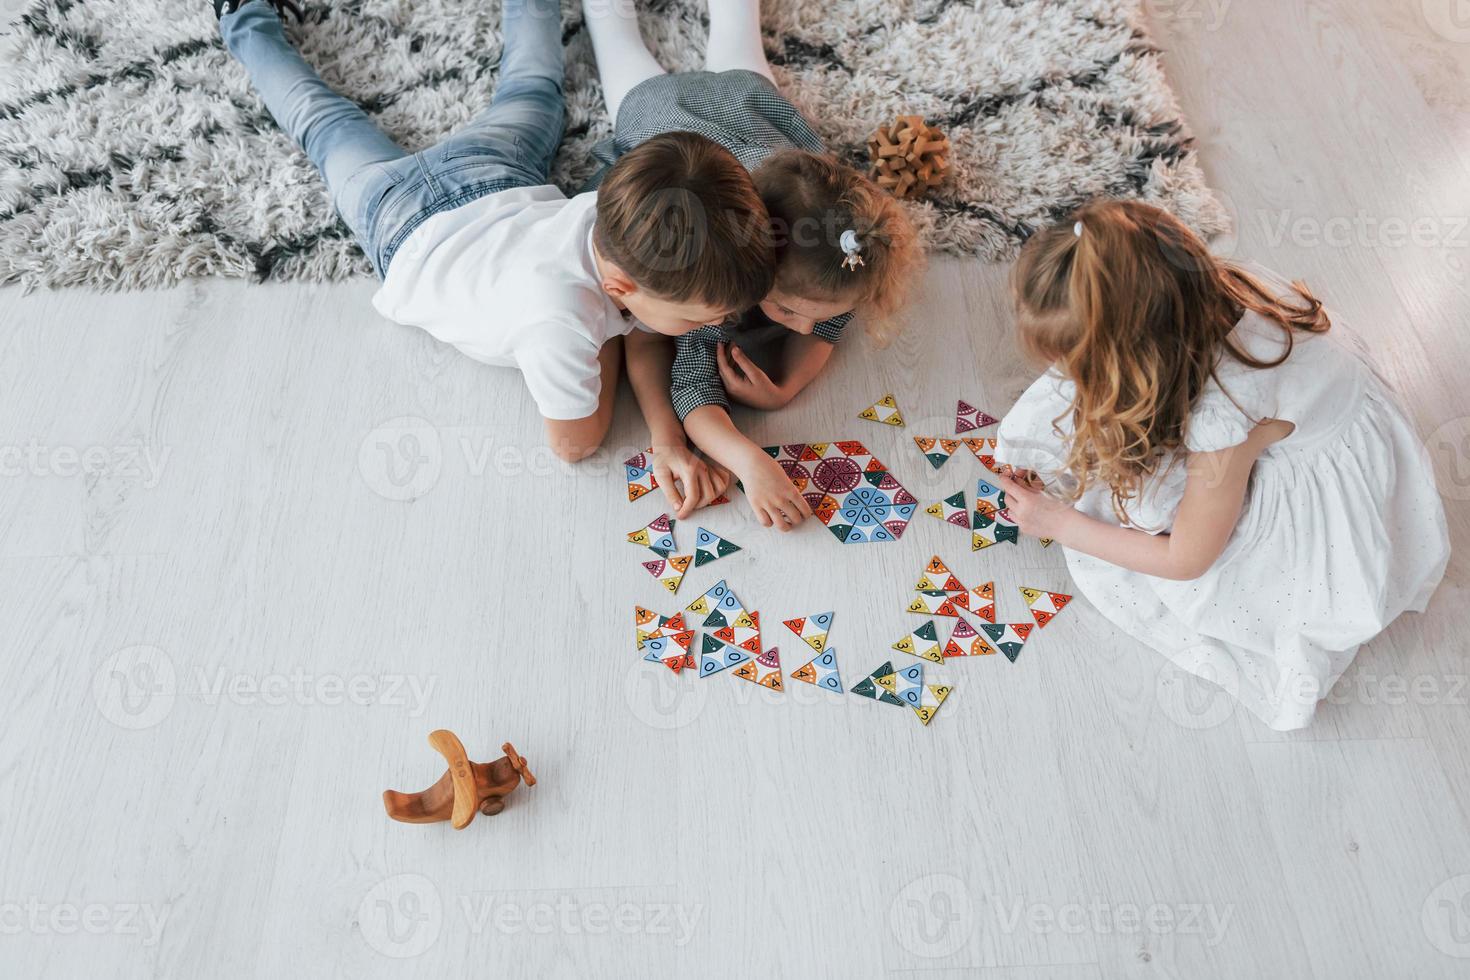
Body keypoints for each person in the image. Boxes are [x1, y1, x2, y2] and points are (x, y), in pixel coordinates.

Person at [214, 0, 774, 460]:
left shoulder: (612, 209)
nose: (722, 325)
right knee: (323, 125)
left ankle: (241, 15)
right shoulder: (560, 325)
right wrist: (611, 338)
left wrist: (640, 329)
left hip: (489, 179)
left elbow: (645, 308)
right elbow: (575, 444)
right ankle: (240, 21)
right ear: (622, 288)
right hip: (398, 219)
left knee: (526, 86)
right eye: (703, 318)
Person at [993, 199, 1450, 730]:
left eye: (1080, 364)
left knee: (1141, 528)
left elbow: (1187, 559)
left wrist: (1059, 524)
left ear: (1141, 358)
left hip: (1335, 481)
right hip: (1323, 411)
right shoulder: (1213, 285)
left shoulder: (1225, 414)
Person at [584, 0, 922, 526]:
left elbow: (830, 317)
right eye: (790, 312)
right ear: (757, 271)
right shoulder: (719, 286)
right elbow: (691, 388)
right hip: (657, 111)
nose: (806, 326)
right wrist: (750, 461)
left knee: (741, 39)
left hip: (751, 103)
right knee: (616, 39)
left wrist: (789, 384)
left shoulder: (833, 263)